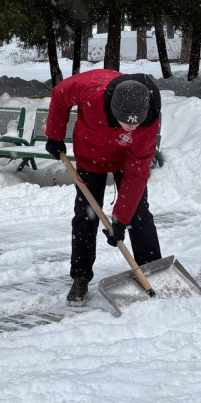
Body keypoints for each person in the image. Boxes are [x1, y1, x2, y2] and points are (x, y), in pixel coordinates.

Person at [44, 70, 162, 305]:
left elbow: (137, 172)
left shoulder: (149, 119)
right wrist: (55, 135)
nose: (131, 128)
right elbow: (59, 93)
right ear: (113, 111)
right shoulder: (90, 89)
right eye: (125, 122)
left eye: (136, 123)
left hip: (126, 160)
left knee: (138, 214)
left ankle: (152, 271)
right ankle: (80, 277)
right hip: (91, 155)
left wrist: (120, 220)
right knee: (86, 216)